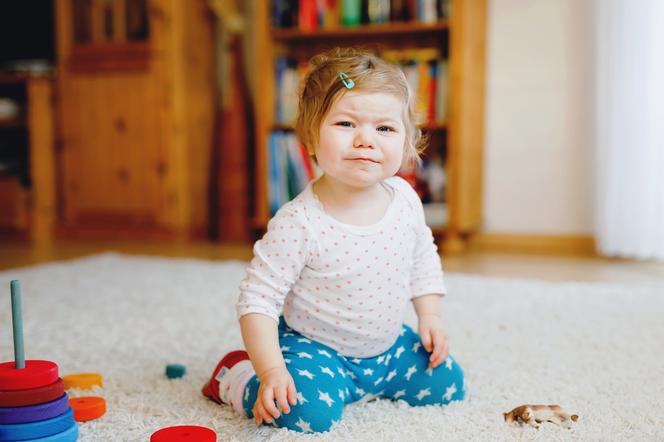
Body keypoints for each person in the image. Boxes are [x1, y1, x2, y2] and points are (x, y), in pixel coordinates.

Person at [202, 47, 465, 433]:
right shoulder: (300, 222)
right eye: (345, 124)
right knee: (305, 413)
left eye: (385, 129)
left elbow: (422, 257)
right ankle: (236, 376)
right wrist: (271, 370)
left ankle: (363, 384)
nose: (365, 140)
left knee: (449, 384)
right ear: (310, 137)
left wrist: (430, 316)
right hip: (316, 349)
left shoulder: (406, 200)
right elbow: (258, 299)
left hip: (387, 348)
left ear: (408, 142)